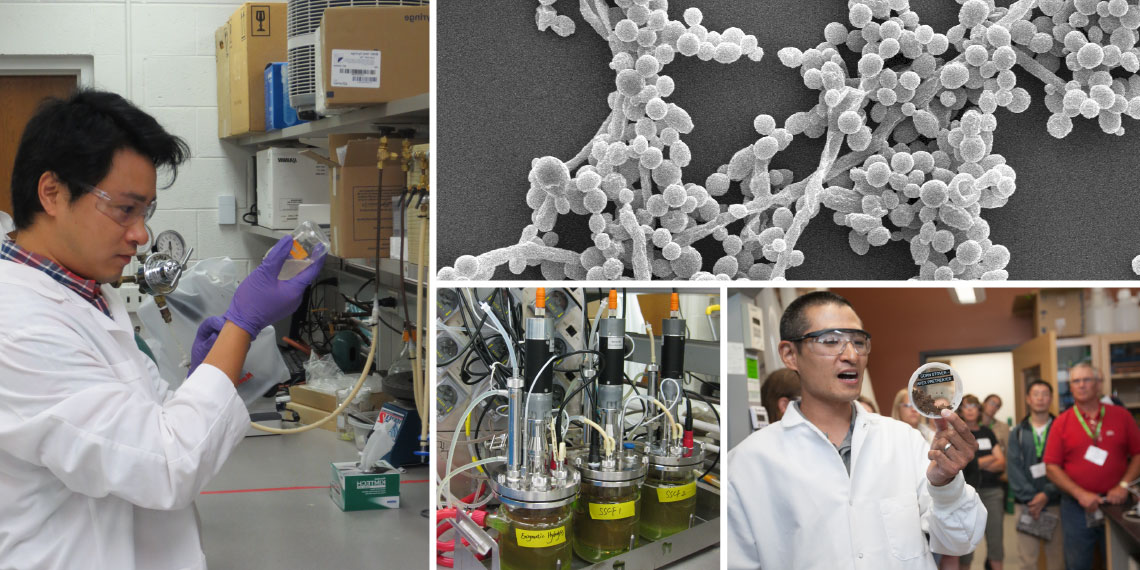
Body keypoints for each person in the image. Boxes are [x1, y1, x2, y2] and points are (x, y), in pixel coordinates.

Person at [0, 89, 324, 569]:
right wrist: (242, 323)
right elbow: (166, 464)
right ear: (52, 193)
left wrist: (203, 373)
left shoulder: (89, 294)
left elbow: (148, 422)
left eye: (145, 212)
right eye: (124, 209)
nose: (141, 234)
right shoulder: (17, 325)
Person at [727, 291, 986, 569]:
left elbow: (959, 540)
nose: (851, 355)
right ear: (790, 355)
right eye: (831, 341)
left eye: (859, 342)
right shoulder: (748, 464)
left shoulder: (903, 441)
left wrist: (945, 484)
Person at [1044, 363, 1140, 570]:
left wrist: (1124, 485)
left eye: (1087, 380)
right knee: (1078, 564)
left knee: (1120, 562)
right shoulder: (1062, 422)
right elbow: (1051, 466)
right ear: (1070, 387)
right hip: (1076, 507)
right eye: (1076, 381)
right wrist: (1080, 493)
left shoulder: (1121, 416)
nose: (1081, 385)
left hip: (1117, 503)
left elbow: (1138, 454)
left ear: (1098, 383)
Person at [1007, 380, 1064, 570]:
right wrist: (1032, 499)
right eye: (1036, 394)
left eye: (1045, 394)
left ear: (1051, 399)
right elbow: (1013, 468)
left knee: (1056, 560)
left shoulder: (1061, 428)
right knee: (1027, 562)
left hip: (1055, 503)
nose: (1040, 398)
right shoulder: (1018, 432)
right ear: (1028, 399)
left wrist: (1047, 494)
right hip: (1026, 506)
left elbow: (1067, 467)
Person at [954, 394, 1006, 570]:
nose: (970, 410)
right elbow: (960, 465)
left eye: (974, 406)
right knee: (965, 545)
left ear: (979, 410)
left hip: (992, 493)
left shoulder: (987, 432)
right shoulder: (957, 434)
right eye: (966, 406)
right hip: (965, 495)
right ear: (961, 410)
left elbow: (1001, 463)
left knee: (996, 542)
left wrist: (974, 463)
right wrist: (987, 459)